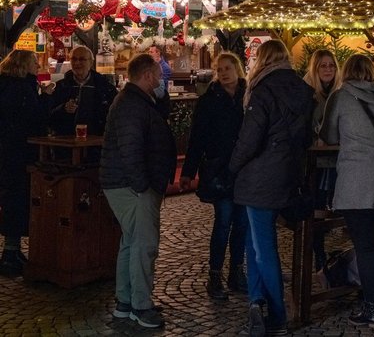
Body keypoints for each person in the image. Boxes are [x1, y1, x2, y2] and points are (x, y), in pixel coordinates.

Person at [229, 40, 313, 336]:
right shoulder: (303, 89)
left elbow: (250, 139)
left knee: (263, 246)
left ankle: (277, 312)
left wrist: (232, 167)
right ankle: (256, 300)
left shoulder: (262, 90)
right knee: (255, 241)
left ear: (262, 60)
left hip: (261, 178)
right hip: (288, 173)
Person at [100, 54, 176, 328]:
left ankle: (125, 302)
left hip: (125, 182)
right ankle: (141, 306)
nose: (160, 80)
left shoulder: (138, 101)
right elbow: (131, 149)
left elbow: (159, 117)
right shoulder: (132, 105)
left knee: (131, 243)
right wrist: (143, 186)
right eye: (157, 76)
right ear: (147, 77)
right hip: (131, 186)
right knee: (144, 245)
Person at [321, 54, 374, 328]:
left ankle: (373, 308)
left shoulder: (341, 97)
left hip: (355, 181)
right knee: (370, 244)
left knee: (364, 246)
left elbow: (329, 136)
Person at [179, 52, 248, 301]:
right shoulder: (209, 100)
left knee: (242, 224)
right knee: (223, 222)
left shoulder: (248, 96)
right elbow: (197, 138)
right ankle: (215, 274)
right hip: (220, 171)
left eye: (228, 68)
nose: (224, 73)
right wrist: (188, 171)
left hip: (244, 171)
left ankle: (237, 271)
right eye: (220, 69)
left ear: (237, 69)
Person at [0, 50, 48, 276]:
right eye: (34, 63)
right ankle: (11, 254)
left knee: (11, 199)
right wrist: (46, 98)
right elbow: (35, 119)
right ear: (24, 66)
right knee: (17, 200)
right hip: (18, 153)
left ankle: (12, 249)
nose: (37, 67)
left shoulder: (5, 85)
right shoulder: (22, 89)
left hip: (7, 152)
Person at [302, 49, 341, 271]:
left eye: (331, 66)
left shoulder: (339, 92)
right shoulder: (307, 93)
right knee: (316, 209)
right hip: (315, 163)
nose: (328, 69)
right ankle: (317, 254)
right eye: (323, 66)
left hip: (335, 160)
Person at [48, 45, 117, 136]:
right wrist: (63, 108)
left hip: (96, 141)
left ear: (91, 62)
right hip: (67, 142)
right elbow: (49, 116)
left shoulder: (104, 87)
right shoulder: (61, 86)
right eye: (74, 59)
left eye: (82, 59)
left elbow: (115, 114)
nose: (77, 63)